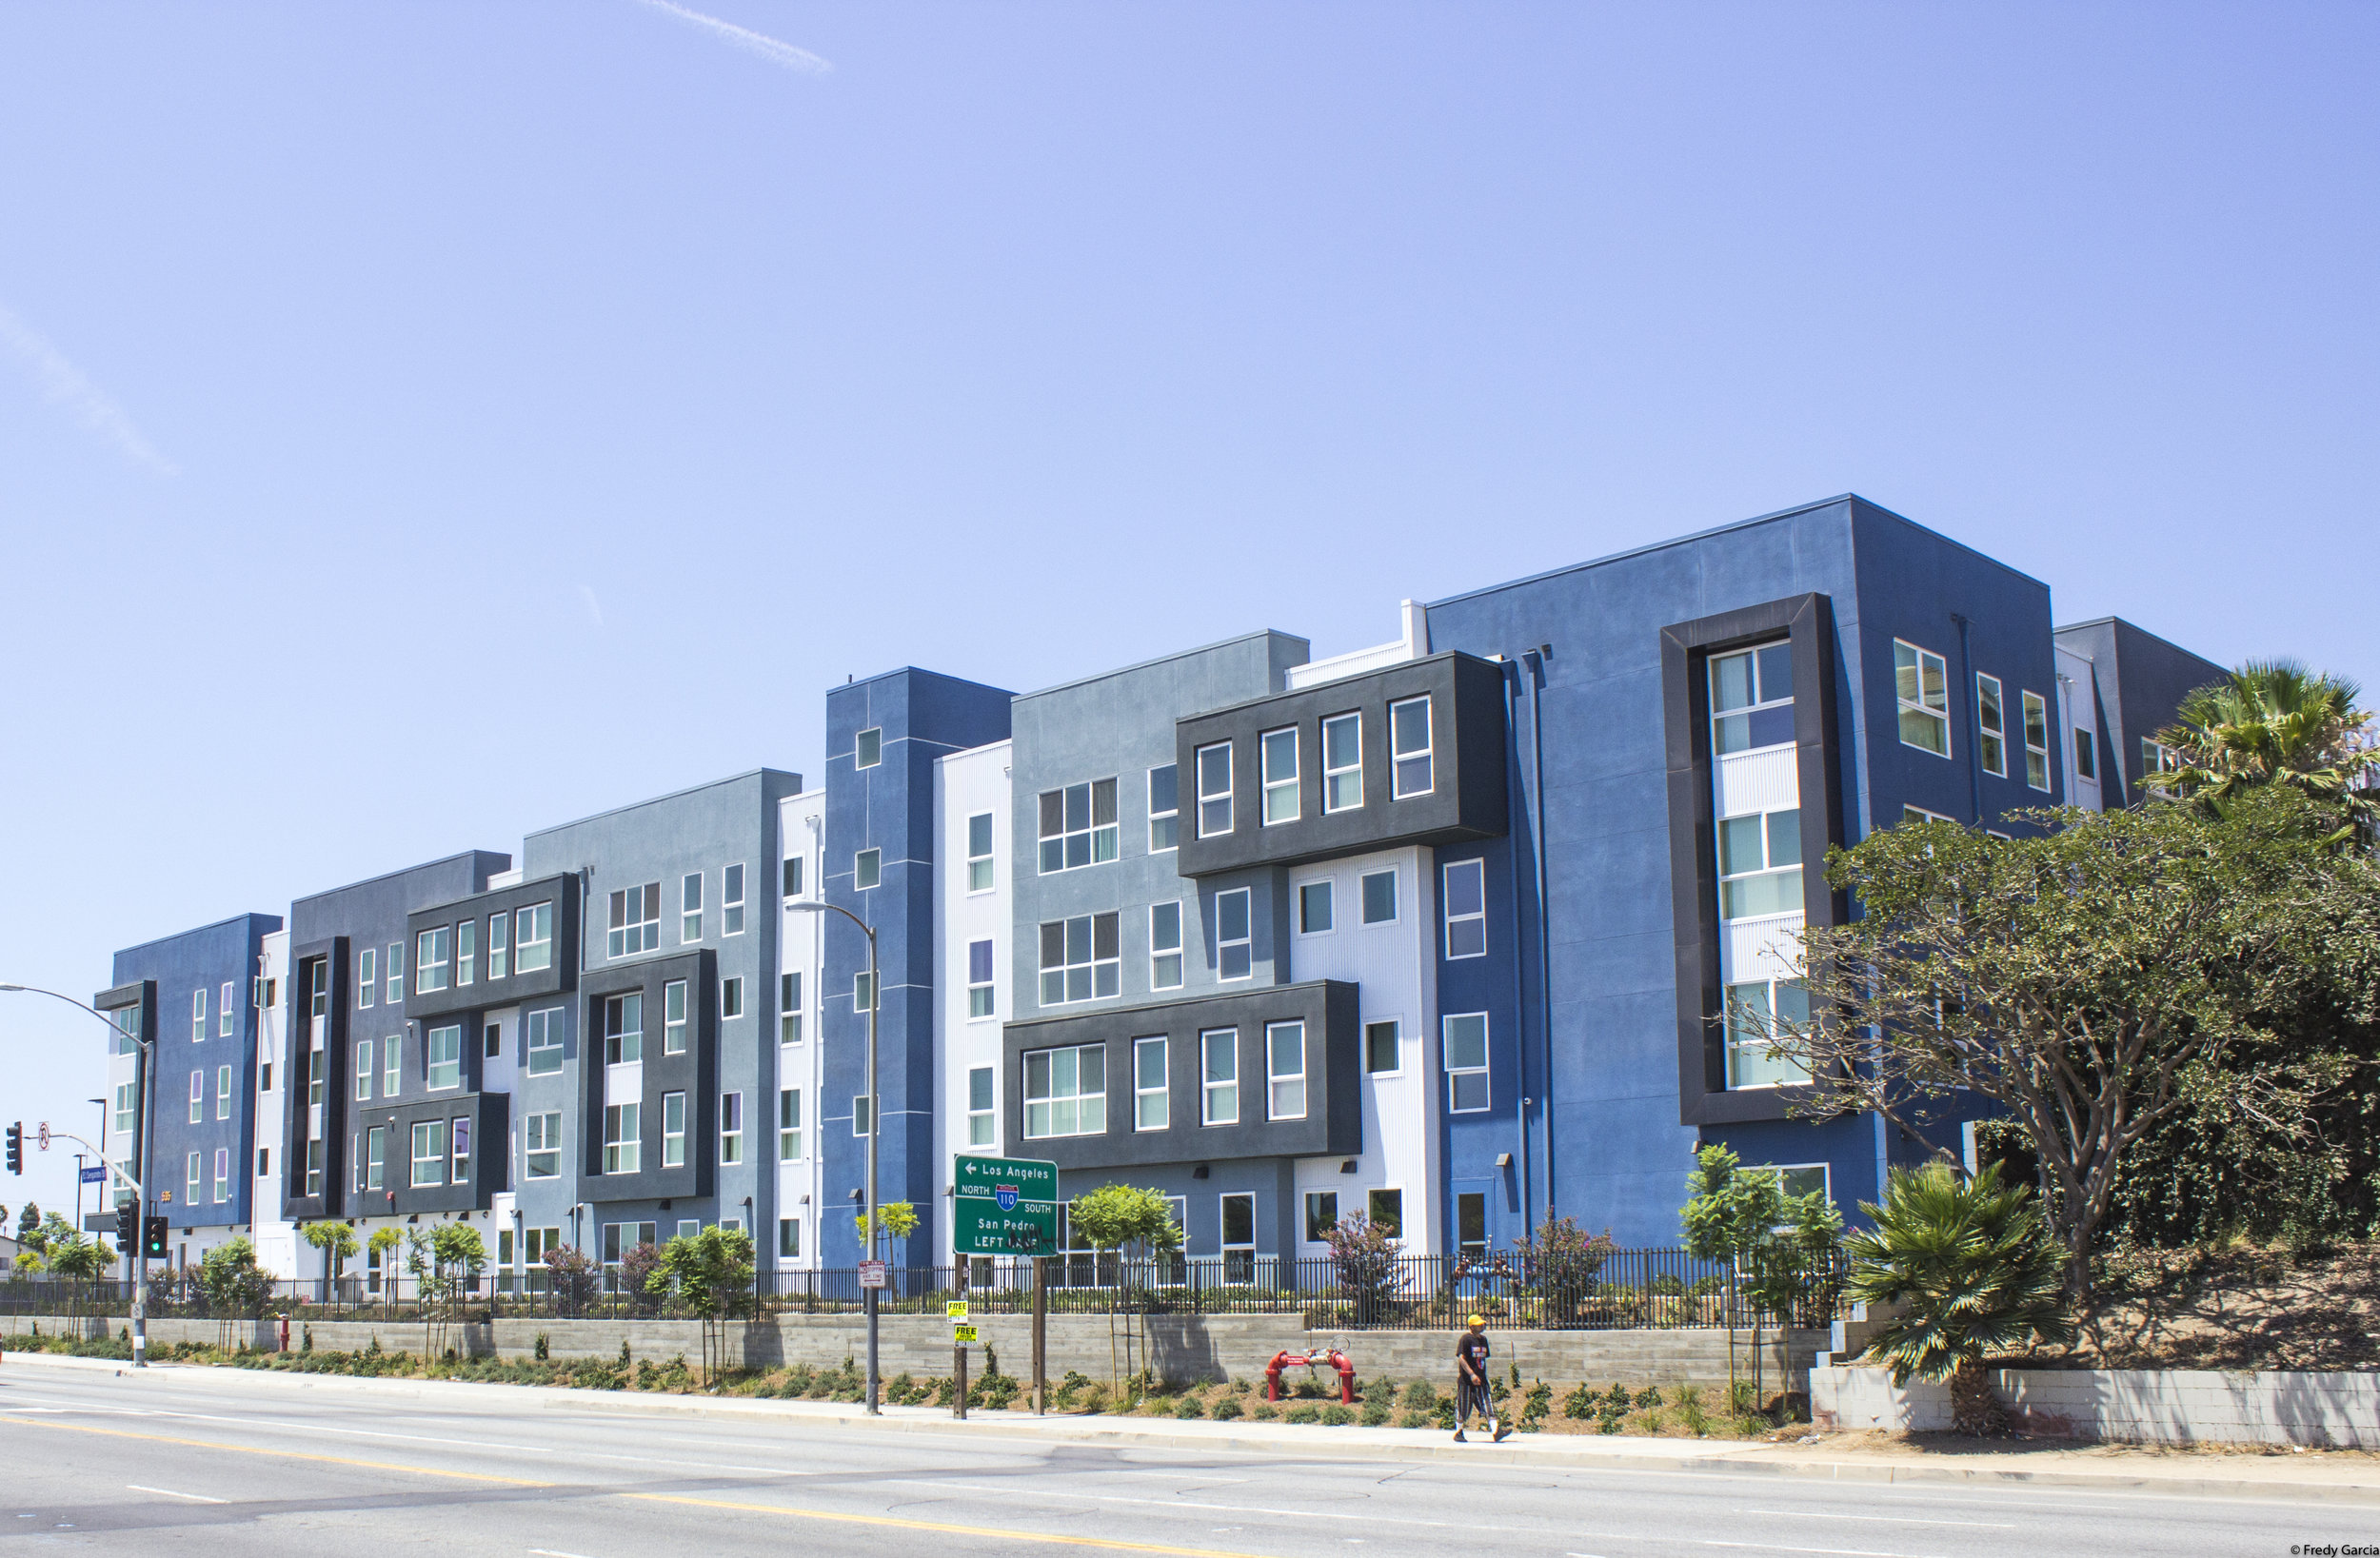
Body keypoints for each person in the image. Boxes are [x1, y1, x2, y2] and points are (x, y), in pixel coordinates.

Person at [1453, 1314, 1508, 1442]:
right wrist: (1471, 1374)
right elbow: (1461, 1358)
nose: (1482, 1326)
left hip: (1481, 1380)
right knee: (1464, 1407)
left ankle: (1496, 1431)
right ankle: (1459, 1432)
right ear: (1471, 1326)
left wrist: (1480, 1376)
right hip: (1467, 1382)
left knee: (1488, 1404)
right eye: (1478, 1324)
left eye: (1482, 1324)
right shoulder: (1465, 1339)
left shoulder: (1483, 1340)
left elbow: (1482, 1360)